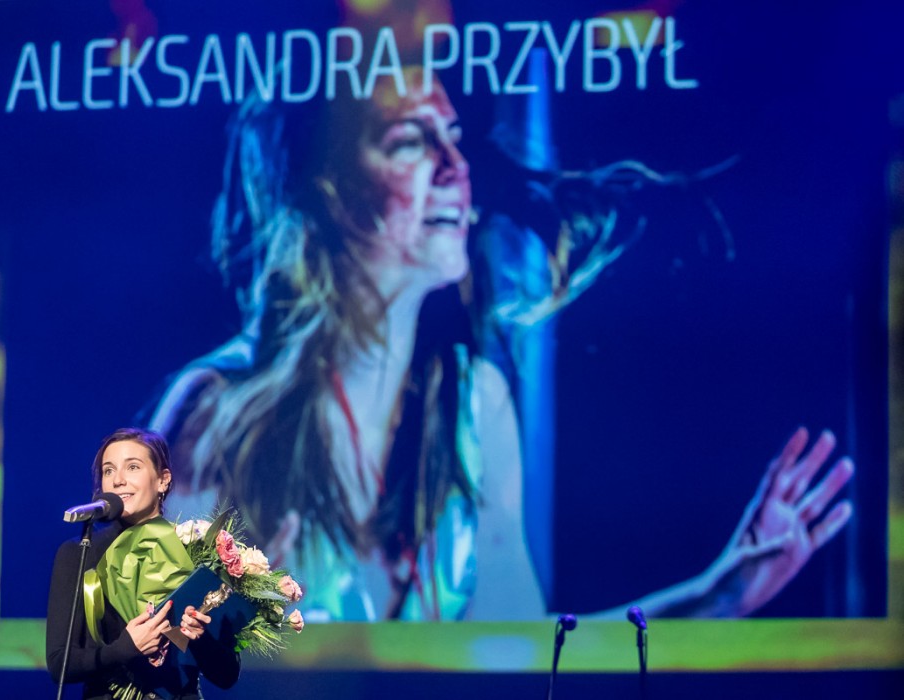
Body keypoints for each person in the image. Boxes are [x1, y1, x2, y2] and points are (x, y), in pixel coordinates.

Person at [146, 68, 856, 622]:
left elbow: (528, 659)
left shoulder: (472, 405)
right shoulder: (220, 418)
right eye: (411, 141)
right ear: (323, 186)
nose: (457, 166)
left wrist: (721, 594)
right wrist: (238, 633)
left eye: (453, 136)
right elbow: (142, 657)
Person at [46, 427, 240, 699]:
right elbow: (59, 664)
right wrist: (123, 649)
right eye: (108, 470)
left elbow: (227, 675)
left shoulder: (195, 550)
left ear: (163, 480)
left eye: (133, 467)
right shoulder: (80, 553)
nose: (118, 480)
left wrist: (201, 637)